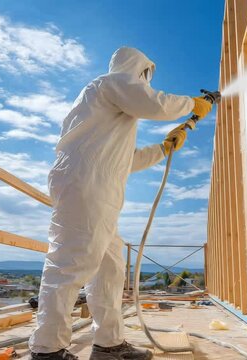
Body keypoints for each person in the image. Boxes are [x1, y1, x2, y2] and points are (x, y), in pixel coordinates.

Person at [29, 47, 212, 360]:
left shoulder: (110, 117)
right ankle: (48, 349)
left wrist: (165, 148)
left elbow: (128, 160)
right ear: (136, 69)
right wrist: (192, 104)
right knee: (71, 263)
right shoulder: (108, 84)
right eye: (145, 75)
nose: (146, 82)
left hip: (94, 185)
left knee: (110, 267)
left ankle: (109, 344)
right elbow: (152, 103)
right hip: (84, 183)